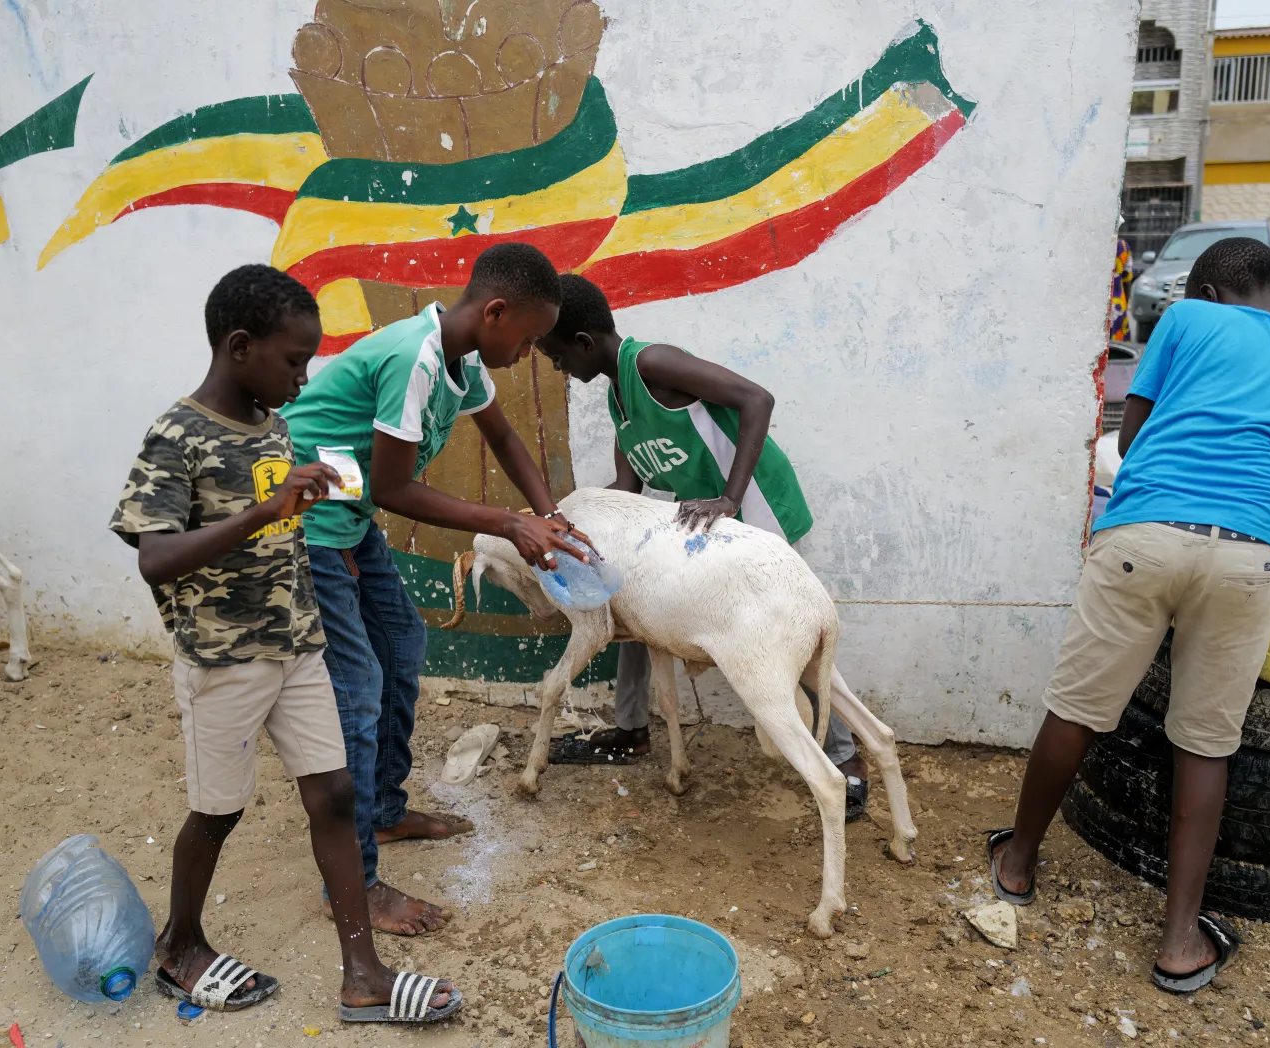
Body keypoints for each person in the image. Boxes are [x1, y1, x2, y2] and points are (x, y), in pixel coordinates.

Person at [988, 237, 1270, 993]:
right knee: (1205, 744)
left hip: (1146, 537)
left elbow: (1132, 442)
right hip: (1249, 559)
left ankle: (1017, 862)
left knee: (1077, 710)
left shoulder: (1182, 321)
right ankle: (1178, 942)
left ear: (1202, 288)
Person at [110, 264, 460, 1023]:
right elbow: (155, 557)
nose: (304, 379)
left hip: (297, 645)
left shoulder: (274, 425)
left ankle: (363, 974)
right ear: (241, 346)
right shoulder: (179, 436)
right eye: (293, 360)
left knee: (334, 796)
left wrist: (308, 499)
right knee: (217, 813)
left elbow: (281, 527)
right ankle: (181, 944)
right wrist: (266, 509)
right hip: (224, 661)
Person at [280, 243, 586, 934]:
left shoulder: (465, 358)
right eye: (530, 338)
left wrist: (548, 514)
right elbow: (394, 487)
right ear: (496, 311)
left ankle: (383, 813)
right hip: (307, 517)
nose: (529, 351)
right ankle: (351, 886)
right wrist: (508, 522)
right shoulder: (415, 359)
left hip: (348, 509)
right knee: (357, 689)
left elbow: (504, 439)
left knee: (402, 640)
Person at [534, 273, 873, 821]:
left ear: (583, 344)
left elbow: (755, 399)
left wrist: (730, 497)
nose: (558, 369)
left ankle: (844, 760)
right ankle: (631, 730)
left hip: (752, 502)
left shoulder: (651, 364)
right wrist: (577, 532)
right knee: (622, 596)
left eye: (555, 356)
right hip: (709, 519)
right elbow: (628, 490)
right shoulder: (618, 398)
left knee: (797, 636)